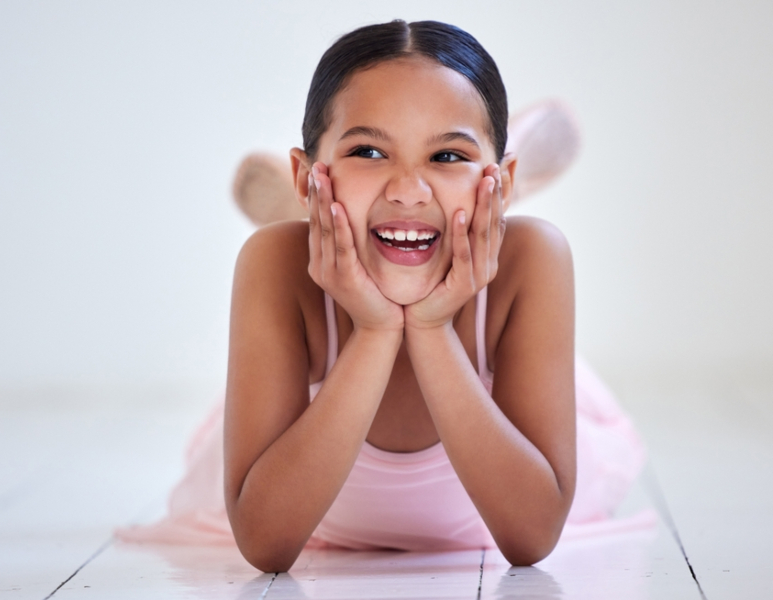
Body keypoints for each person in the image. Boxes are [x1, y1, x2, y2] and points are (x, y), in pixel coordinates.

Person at [117, 19, 648, 573]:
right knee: (374, 233)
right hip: (324, 348)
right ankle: (383, 217)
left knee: (413, 226)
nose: (407, 190)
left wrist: (432, 326)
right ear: (307, 176)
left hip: (487, 322)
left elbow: (532, 536)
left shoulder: (532, 259)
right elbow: (265, 542)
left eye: (446, 156)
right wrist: (373, 330)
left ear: (502, 181)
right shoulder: (273, 265)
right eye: (369, 152)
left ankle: (407, 215)